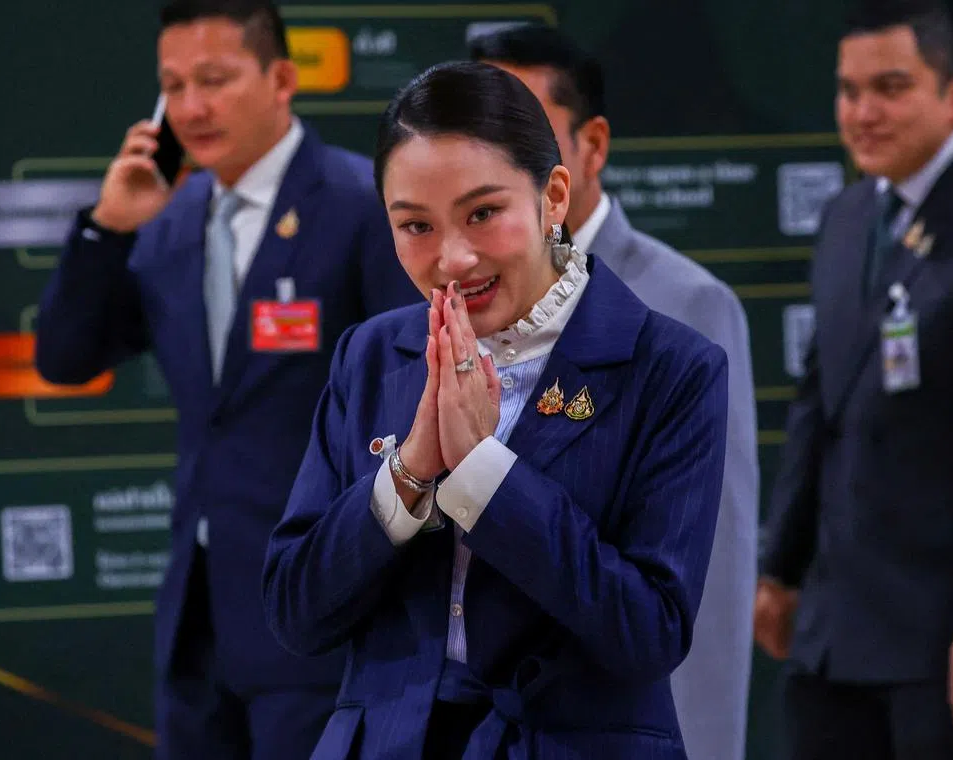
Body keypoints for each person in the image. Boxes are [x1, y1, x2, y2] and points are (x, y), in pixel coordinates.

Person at [262, 60, 729, 759]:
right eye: (415, 226)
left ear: (554, 197)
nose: (452, 258)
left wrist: (485, 474)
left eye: (484, 213)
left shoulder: (670, 367)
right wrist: (410, 473)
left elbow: (648, 633)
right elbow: (295, 614)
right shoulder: (368, 356)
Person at [33, 1, 420, 757]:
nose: (191, 107)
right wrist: (108, 226)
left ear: (281, 78)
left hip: (323, 613)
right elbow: (65, 358)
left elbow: (409, 396)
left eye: (213, 79)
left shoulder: (360, 204)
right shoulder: (167, 222)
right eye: (172, 87)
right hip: (199, 623)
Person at [754, 2, 953, 758]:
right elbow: (817, 409)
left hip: (948, 643)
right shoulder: (844, 219)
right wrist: (779, 567)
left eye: (891, 87)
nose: (862, 113)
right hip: (833, 635)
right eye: (848, 90)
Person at [469, 24, 759, 760]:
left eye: (524, 133)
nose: (494, 159)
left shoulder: (685, 306)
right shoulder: (443, 300)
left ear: (591, 146)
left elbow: (710, 579)